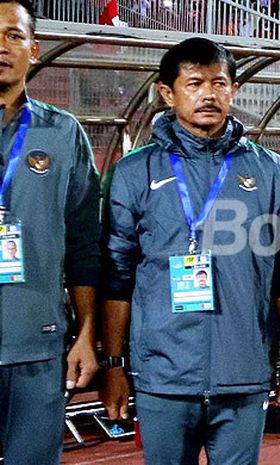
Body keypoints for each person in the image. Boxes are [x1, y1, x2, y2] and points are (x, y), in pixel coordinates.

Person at [99, 37, 280, 465]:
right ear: (167, 93)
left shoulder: (269, 171)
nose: (208, 94)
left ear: (233, 90)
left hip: (243, 372)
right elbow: (117, 272)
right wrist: (114, 363)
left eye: (219, 83)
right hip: (163, 376)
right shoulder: (136, 171)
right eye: (194, 83)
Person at [0, 1, 101, 463]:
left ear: (34, 49)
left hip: (36, 345)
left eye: (13, 35)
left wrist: (85, 334)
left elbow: (84, 243)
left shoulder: (64, 134)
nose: (2, 46)